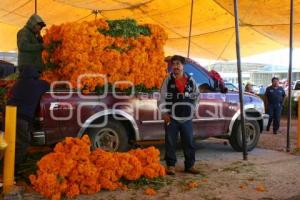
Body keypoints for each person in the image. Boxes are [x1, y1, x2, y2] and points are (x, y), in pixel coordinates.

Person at [159, 55, 200, 175]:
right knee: (170, 142)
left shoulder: (191, 81)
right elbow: (161, 98)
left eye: (178, 64)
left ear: (183, 66)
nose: (176, 66)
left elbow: (197, 96)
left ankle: (190, 166)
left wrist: (193, 109)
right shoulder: (168, 80)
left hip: (186, 117)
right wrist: (164, 113)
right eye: (174, 64)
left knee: (189, 141)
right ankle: (171, 166)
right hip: (171, 117)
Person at [7, 65, 49, 168]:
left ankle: (7, 164)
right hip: (22, 118)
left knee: (9, 141)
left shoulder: (18, 84)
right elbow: (48, 85)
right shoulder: (38, 85)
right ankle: (12, 168)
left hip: (9, 115)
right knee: (22, 144)